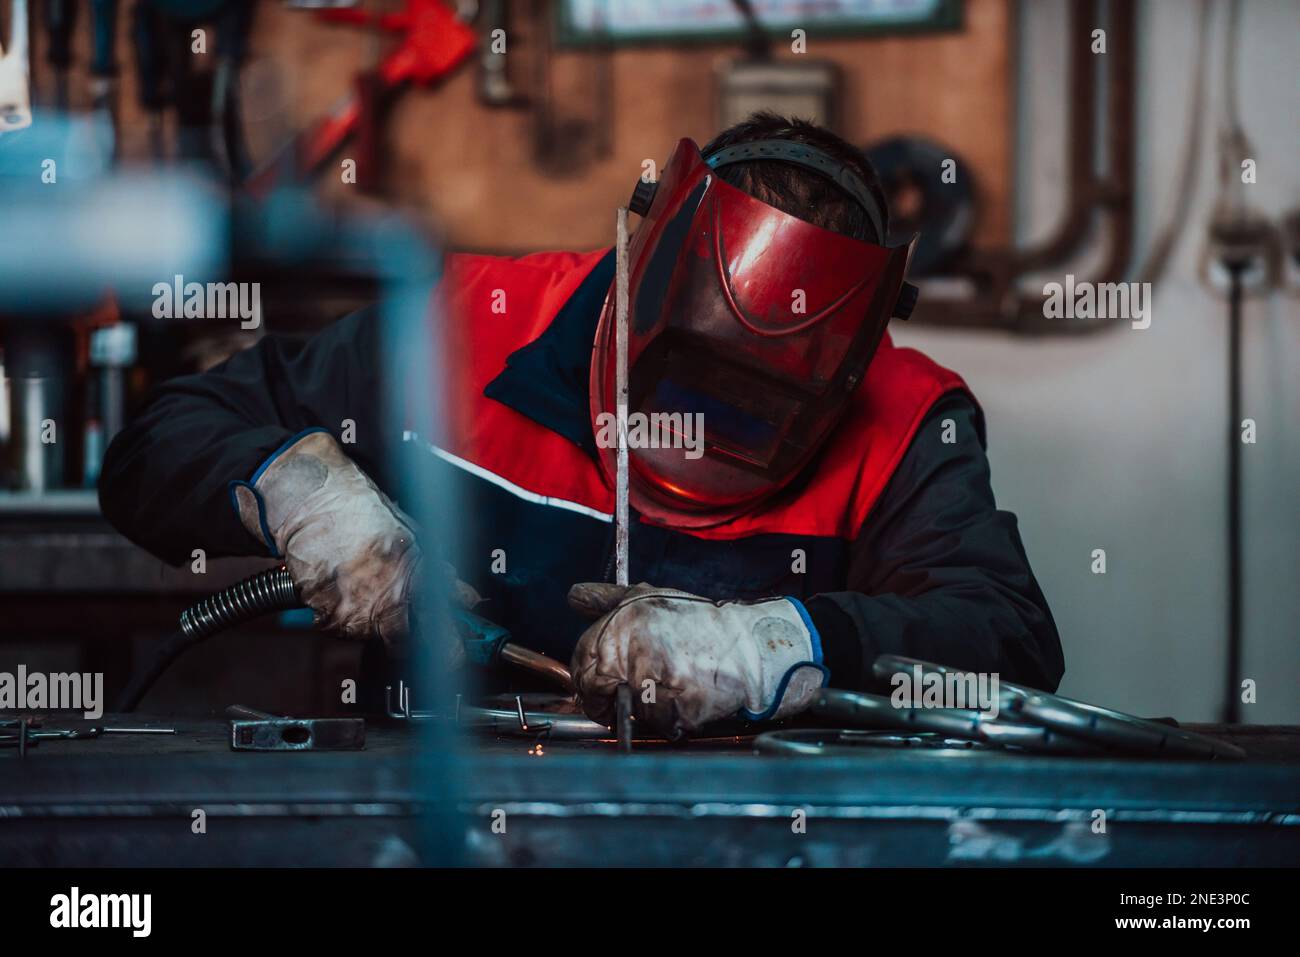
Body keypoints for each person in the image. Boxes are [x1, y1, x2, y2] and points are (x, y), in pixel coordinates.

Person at [99, 113, 1063, 736]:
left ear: (845, 365)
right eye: (688, 375)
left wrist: (771, 645)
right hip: (439, 827)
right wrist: (300, 496)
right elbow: (154, 447)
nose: (698, 429)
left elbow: (1006, 641)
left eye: (757, 406)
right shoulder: (462, 324)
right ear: (638, 268)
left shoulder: (907, 416)